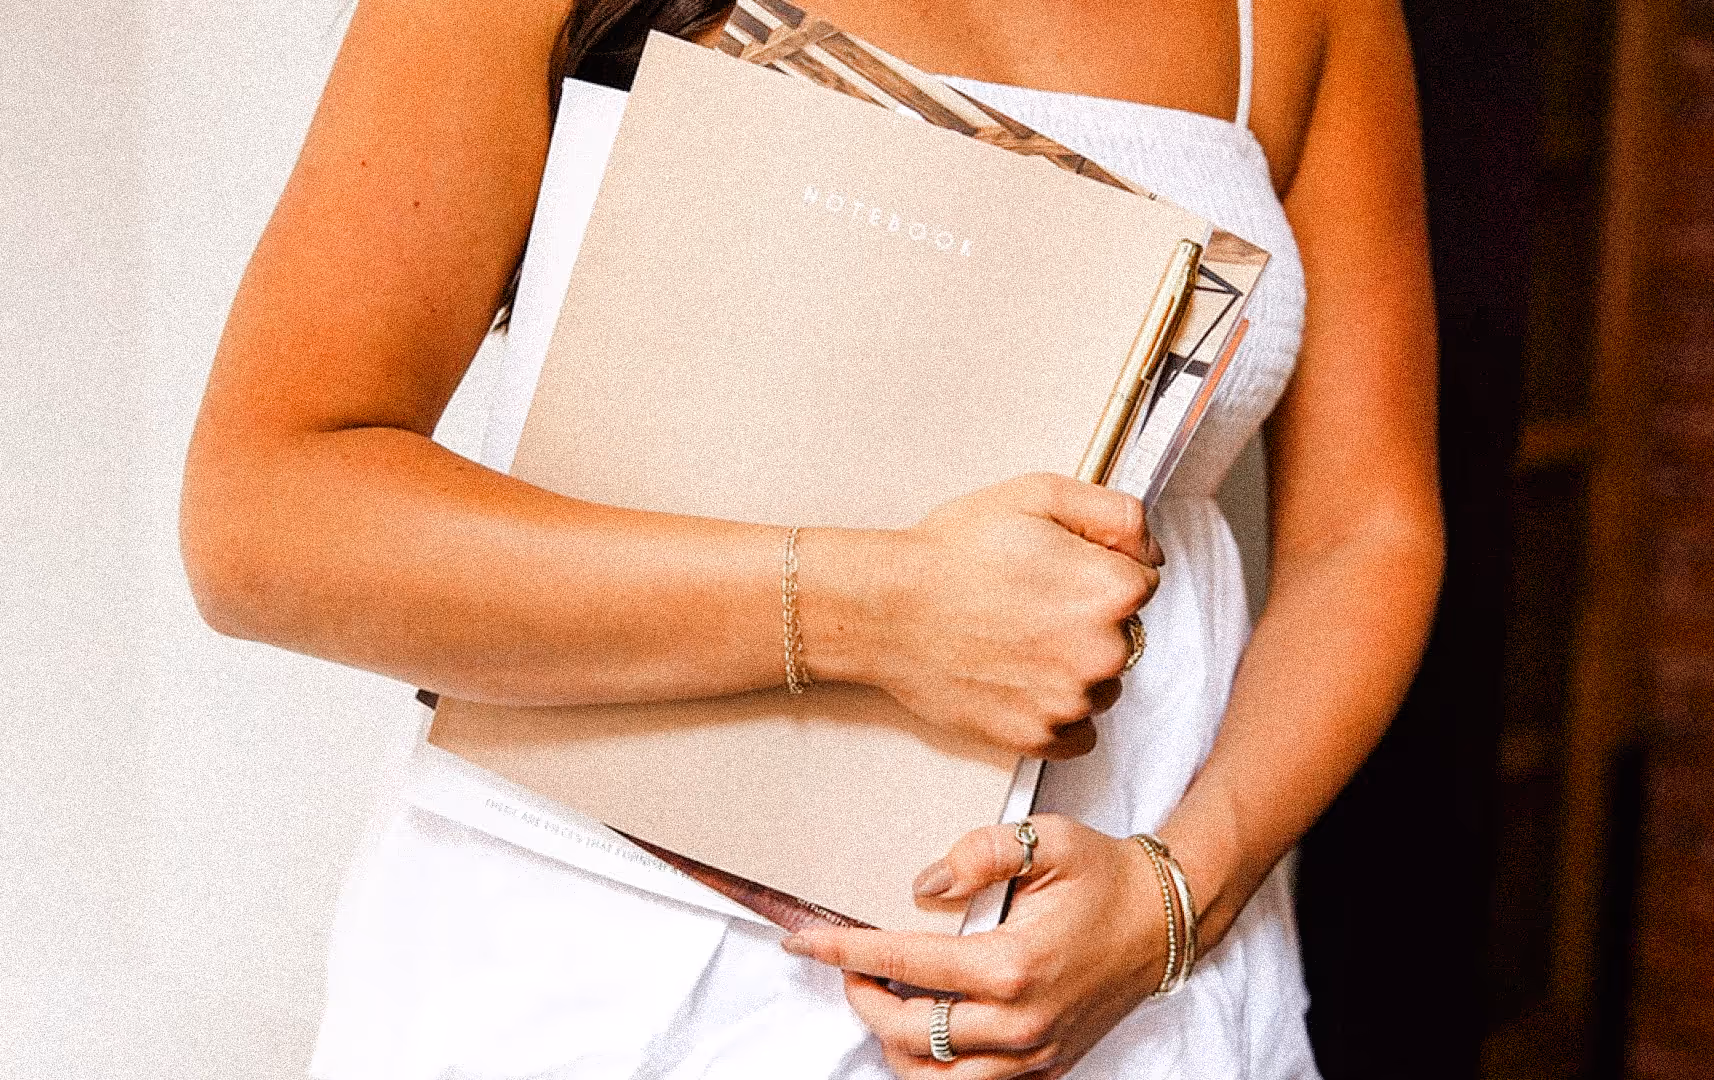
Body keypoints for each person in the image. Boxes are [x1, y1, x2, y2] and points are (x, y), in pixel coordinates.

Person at [179, 0, 1441, 1075]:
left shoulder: (1295, 15)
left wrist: (1174, 897)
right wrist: (866, 610)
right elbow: (267, 516)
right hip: (600, 972)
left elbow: (1367, 531)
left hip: (1124, 974)